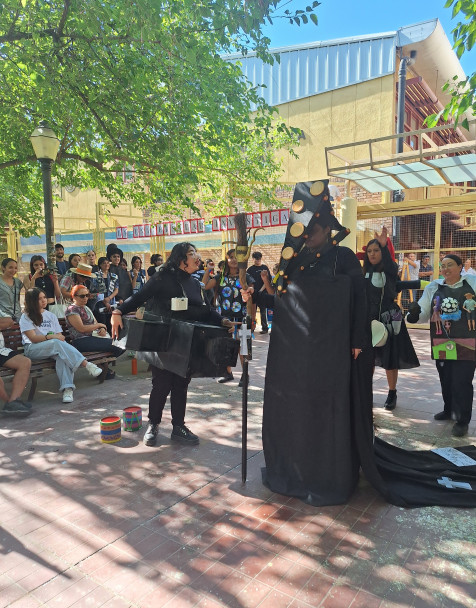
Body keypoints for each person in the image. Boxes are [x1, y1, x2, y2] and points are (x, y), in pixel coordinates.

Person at [262, 181, 372, 506]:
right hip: (297, 355)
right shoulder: (295, 261)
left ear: (327, 228)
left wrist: (357, 338)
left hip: (334, 351)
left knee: (329, 409)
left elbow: (360, 300)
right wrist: (258, 295)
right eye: (303, 231)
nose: (307, 236)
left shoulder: (345, 258)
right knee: (299, 408)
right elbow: (284, 303)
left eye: (312, 230)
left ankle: (329, 471)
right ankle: (297, 466)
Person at [111, 242, 234, 447]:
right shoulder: (162, 277)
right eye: (191, 253)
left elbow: (205, 310)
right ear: (180, 259)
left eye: (196, 252)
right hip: (164, 340)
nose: (197, 256)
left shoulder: (195, 284)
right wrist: (117, 312)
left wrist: (221, 320)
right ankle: (153, 424)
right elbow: (138, 297)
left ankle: (179, 426)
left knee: (181, 384)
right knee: (161, 384)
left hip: (188, 341)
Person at [407, 254, 476, 437]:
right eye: (443, 265)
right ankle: (449, 410)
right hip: (442, 341)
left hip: (468, 342)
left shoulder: (473, 283)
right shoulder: (434, 287)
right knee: (446, 378)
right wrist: (413, 314)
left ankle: (462, 420)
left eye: (450, 265)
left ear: (461, 266)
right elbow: (423, 311)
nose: (445, 269)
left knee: (462, 381)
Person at [363, 229, 419, 410]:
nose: (372, 253)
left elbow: (390, 265)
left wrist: (384, 245)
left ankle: (392, 392)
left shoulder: (390, 270)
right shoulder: (363, 274)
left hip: (390, 317)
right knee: (367, 358)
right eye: (370, 251)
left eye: (376, 250)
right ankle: (366, 392)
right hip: (368, 319)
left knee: (390, 357)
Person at [19, 288, 103, 403]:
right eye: (39, 299)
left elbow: (60, 336)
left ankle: (67, 389)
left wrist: (55, 337)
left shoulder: (51, 315)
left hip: (54, 347)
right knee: (56, 343)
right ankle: (86, 364)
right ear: (32, 301)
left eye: (44, 297)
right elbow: (33, 338)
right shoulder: (26, 317)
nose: (44, 300)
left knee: (61, 356)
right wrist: (51, 337)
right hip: (33, 349)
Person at [203, 249, 254, 385]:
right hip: (225, 318)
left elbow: (251, 290)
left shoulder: (245, 277)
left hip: (243, 317)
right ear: (226, 259)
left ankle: (245, 375)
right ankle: (227, 373)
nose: (234, 260)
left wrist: (250, 290)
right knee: (226, 346)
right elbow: (205, 286)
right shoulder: (219, 277)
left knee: (243, 347)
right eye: (231, 257)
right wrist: (208, 270)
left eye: (237, 257)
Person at [65, 284, 124, 379]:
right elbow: (81, 328)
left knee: (122, 344)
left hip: (93, 337)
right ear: (74, 296)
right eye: (82, 296)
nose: (85, 298)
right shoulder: (72, 310)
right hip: (81, 340)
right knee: (117, 344)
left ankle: (101, 366)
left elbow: (95, 323)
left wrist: (102, 329)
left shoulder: (86, 308)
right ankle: (102, 368)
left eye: (87, 295)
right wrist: (100, 325)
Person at [0, 326, 32, 417]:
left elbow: (8, 321)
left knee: (25, 362)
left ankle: (13, 402)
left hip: (1, 351)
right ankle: (9, 404)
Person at [90, 257, 119, 332]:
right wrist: (104, 301)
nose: (106, 265)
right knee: (102, 324)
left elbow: (116, 290)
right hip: (99, 304)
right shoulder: (95, 276)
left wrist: (109, 298)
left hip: (111, 303)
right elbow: (94, 290)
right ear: (100, 265)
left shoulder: (114, 276)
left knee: (111, 324)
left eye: (107, 263)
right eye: (104, 263)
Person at [247, 251, 271, 334]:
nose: (258, 261)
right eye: (256, 259)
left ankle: (265, 328)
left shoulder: (264, 268)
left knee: (263, 311)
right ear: (253, 259)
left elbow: (268, 280)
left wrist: (261, 290)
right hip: (253, 293)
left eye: (259, 259)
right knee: (252, 311)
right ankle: (252, 327)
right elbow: (248, 282)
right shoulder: (250, 269)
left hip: (262, 293)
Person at [0, 258, 23, 324]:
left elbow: (17, 300)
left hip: (18, 317)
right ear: (3, 268)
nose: (13, 270)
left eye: (15, 268)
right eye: (10, 267)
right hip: (3, 318)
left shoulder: (17, 282)